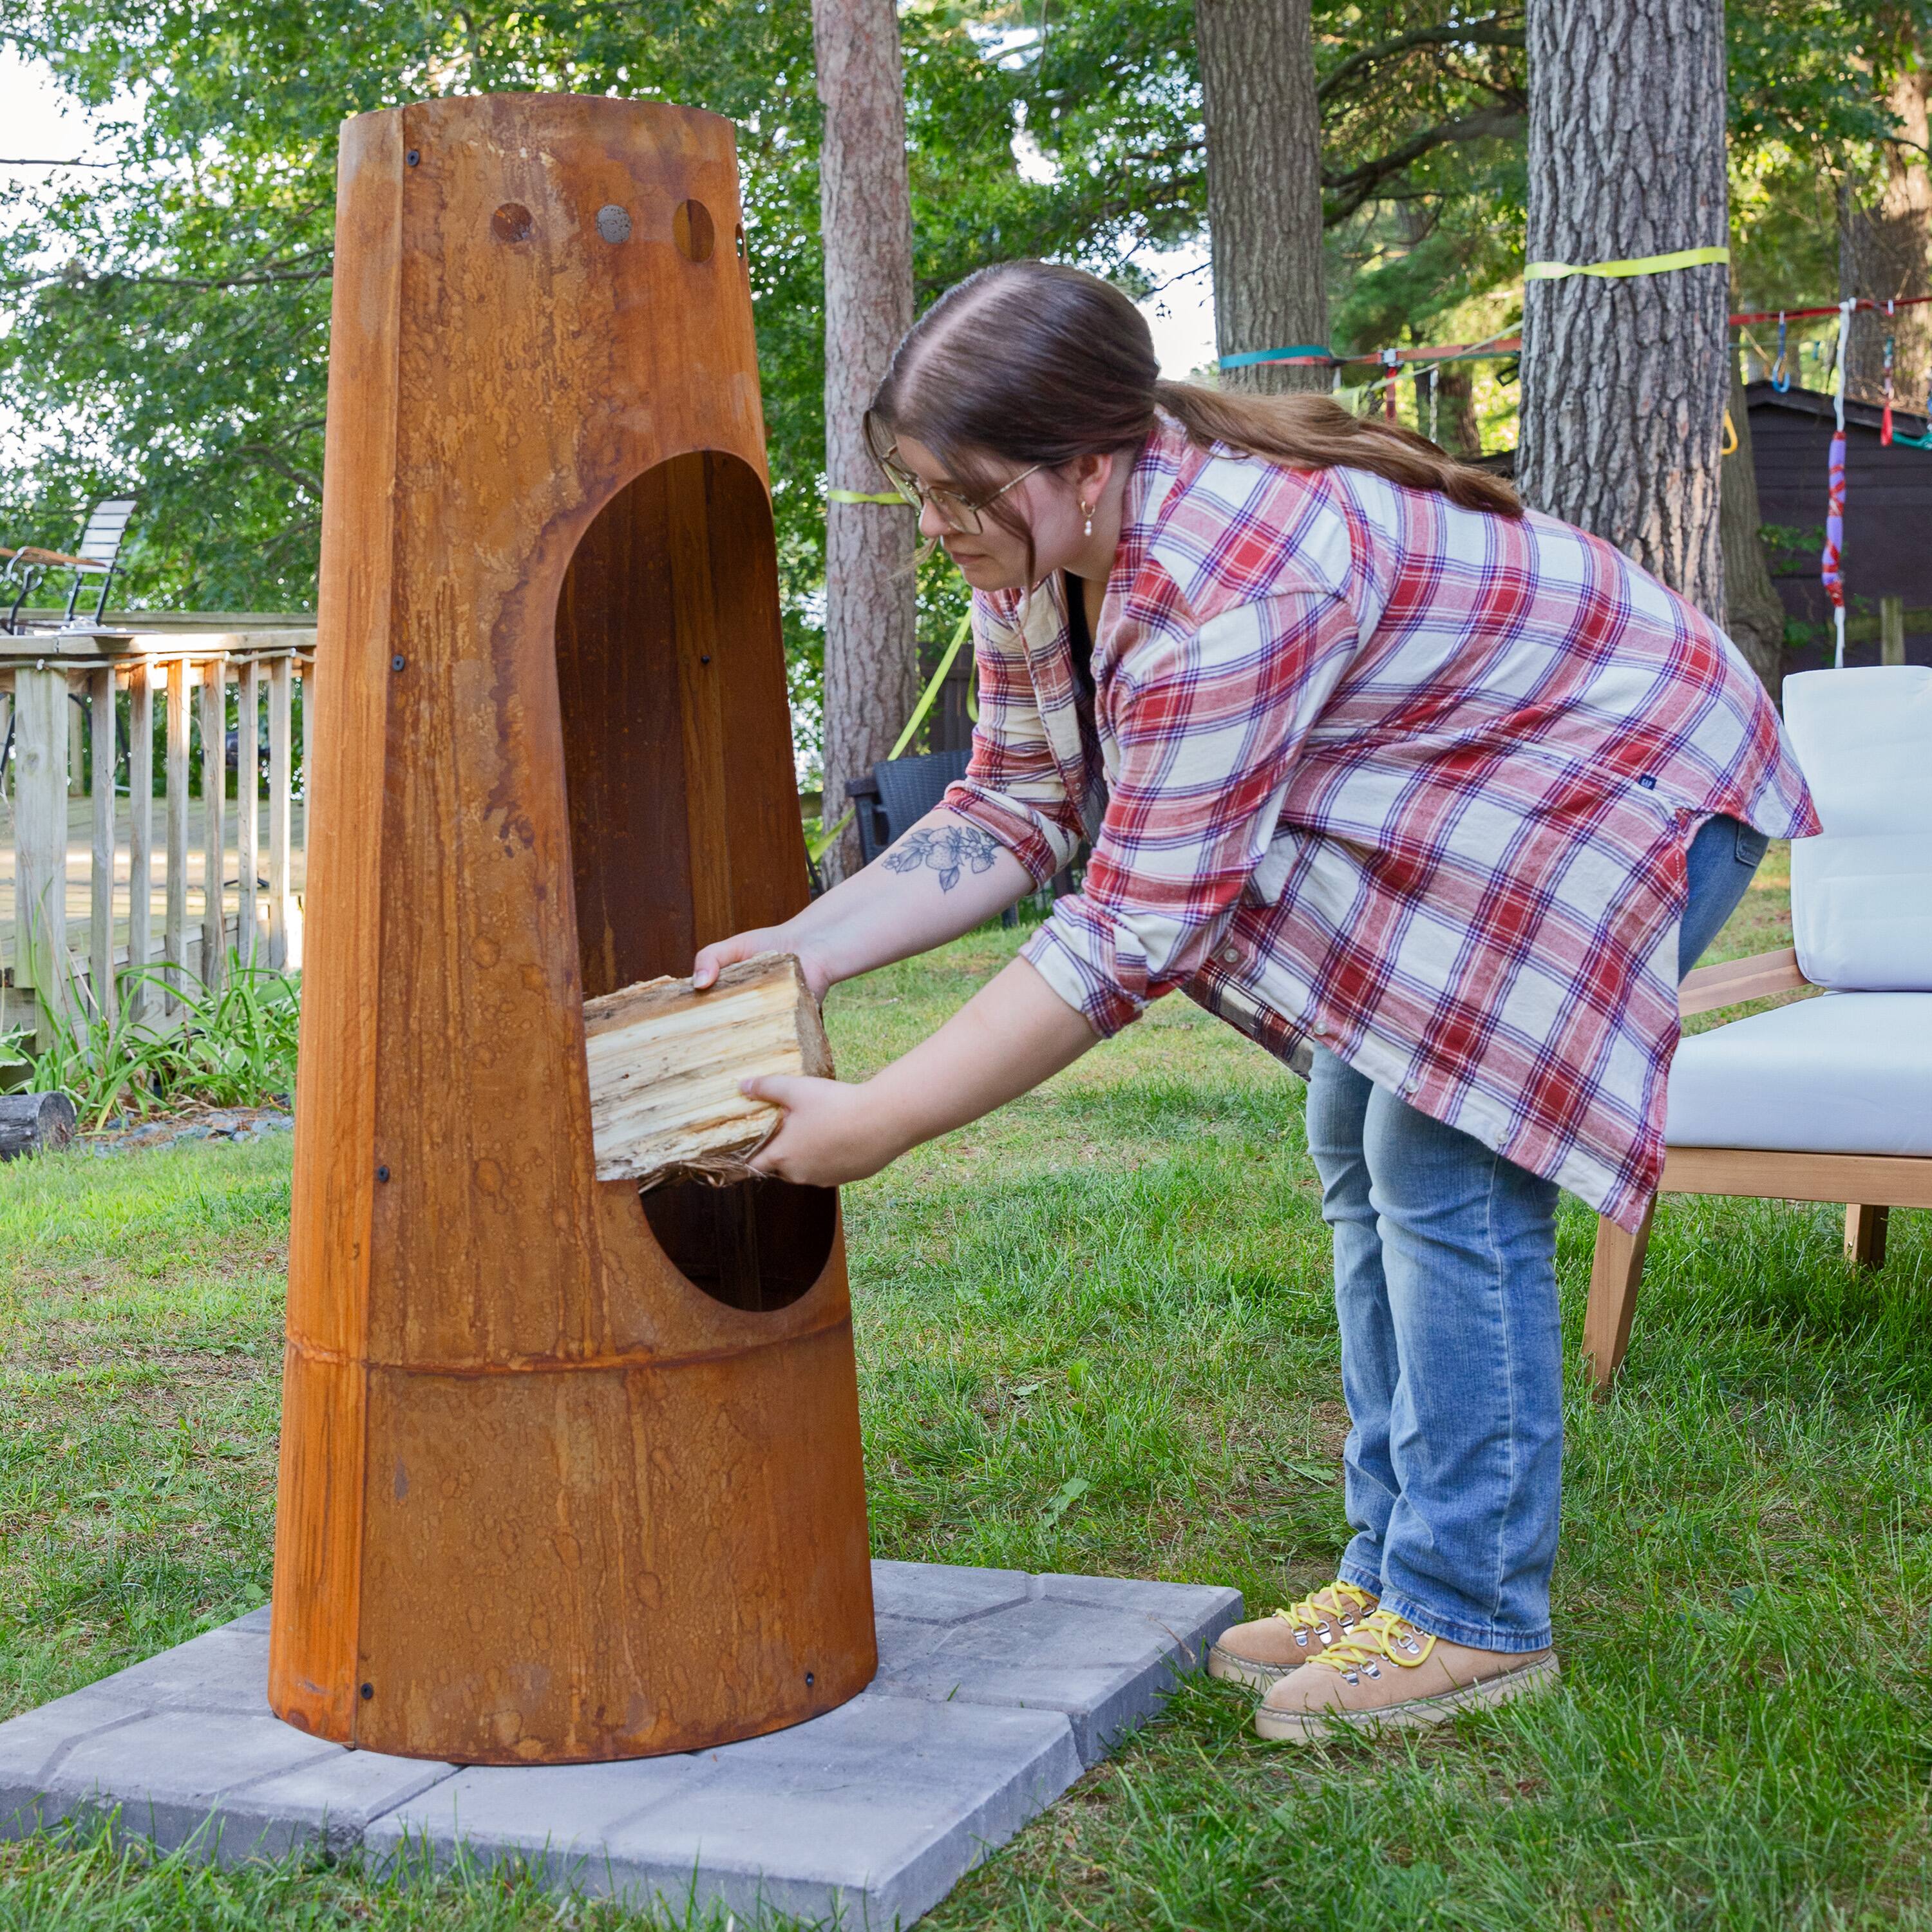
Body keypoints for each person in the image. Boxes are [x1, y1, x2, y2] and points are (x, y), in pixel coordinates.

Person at [694, 260, 1817, 1743]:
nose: (941, 528)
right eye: (921, 493)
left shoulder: (1232, 580)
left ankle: (1476, 1610)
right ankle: (1390, 1574)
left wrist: (881, 1121)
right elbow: (1021, 800)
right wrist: (806, 947)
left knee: (1443, 1156)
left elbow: (1128, 932)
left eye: (964, 493)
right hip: (1470, 777)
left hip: (1624, 774)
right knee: (1360, 1127)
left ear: (1086, 465)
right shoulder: (1049, 558)